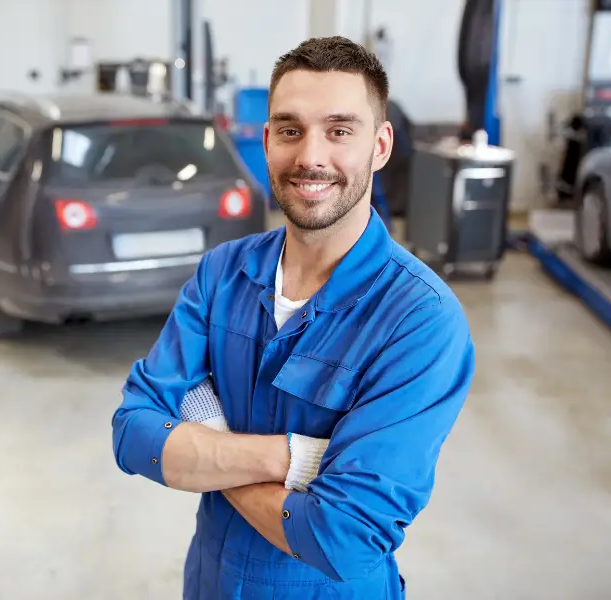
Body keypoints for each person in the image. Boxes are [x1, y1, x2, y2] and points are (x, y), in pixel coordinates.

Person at [111, 36, 475, 599]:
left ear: (380, 146)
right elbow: (134, 433)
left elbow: (342, 537)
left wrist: (206, 433)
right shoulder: (222, 273)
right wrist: (300, 459)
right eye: (290, 129)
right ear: (266, 141)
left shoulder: (420, 320)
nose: (310, 157)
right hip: (208, 582)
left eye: (339, 130)